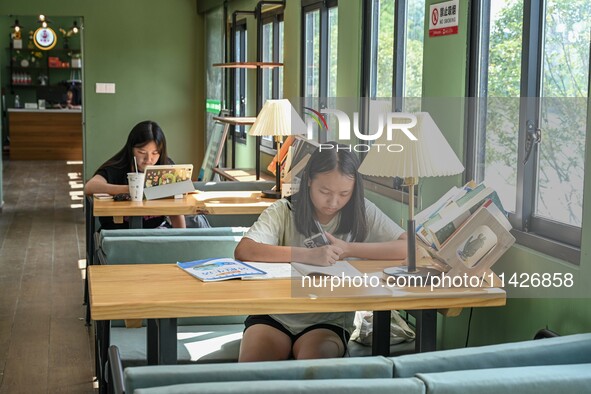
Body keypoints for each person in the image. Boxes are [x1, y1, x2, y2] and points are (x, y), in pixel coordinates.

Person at [234, 141, 407, 361]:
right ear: (308, 181)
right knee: (255, 370)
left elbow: (408, 247)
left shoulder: (361, 210)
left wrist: (347, 249)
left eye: (344, 193)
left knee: (315, 368)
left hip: (328, 319)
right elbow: (245, 250)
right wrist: (308, 255)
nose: (334, 202)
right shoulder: (284, 210)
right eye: (324, 191)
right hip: (274, 313)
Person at [84, 120, 186, 229]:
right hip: (118, 233)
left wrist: (182, 240)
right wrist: (131, 189)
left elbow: (176, 210)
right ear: (131, 149)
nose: (148, 159)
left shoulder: (166, 168)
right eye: (142, 152)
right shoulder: (119, 166)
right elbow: (90, 187)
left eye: (155, 153)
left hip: (155, 232)